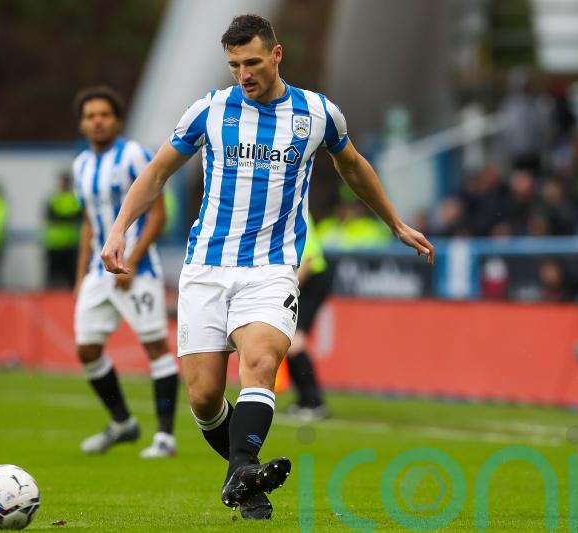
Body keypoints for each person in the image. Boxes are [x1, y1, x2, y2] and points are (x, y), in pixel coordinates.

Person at [100, 15, 434, 520]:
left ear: (276, 55)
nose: (243, 74)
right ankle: (244, 478)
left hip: (272, 267)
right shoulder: (209, 111)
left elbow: (354, 167)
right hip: (206, 266)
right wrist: (120, 226)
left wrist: (394, 222)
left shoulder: (317, 113)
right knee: (206, 397)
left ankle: (244, 465)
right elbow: (158, 170)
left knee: (259, 362)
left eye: (252, 63)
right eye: (234, 65)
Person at [71, 85, 178, 459]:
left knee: (156, 348)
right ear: (83, 124)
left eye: (104, 114)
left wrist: (131, 257)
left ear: (116, 120)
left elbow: (159, 213)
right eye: (90, 116)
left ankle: (165, 437)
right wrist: (81, 275)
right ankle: (122, 423)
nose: (97, 121)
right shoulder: (81, 165)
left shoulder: (134, 155)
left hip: (138, 269)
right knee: (86, 349)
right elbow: (88, 223)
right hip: (98, 274)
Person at [284, 216, 332, 421]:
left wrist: (289, 290)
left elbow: (309, 259)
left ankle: (314, 403)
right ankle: (305, 401)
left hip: (312, 280)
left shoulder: (297, 213)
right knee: (288, 342)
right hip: (306, 281)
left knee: (295, 342)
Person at [43, 170, 82, 288]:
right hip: (54, 243)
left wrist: (63, 217)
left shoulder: (74, 198)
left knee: (70, 274)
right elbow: (51, 216)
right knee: (53, 274)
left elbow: (77, 216)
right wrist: (67, 217)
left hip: (70, 243)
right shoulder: (54, 198)